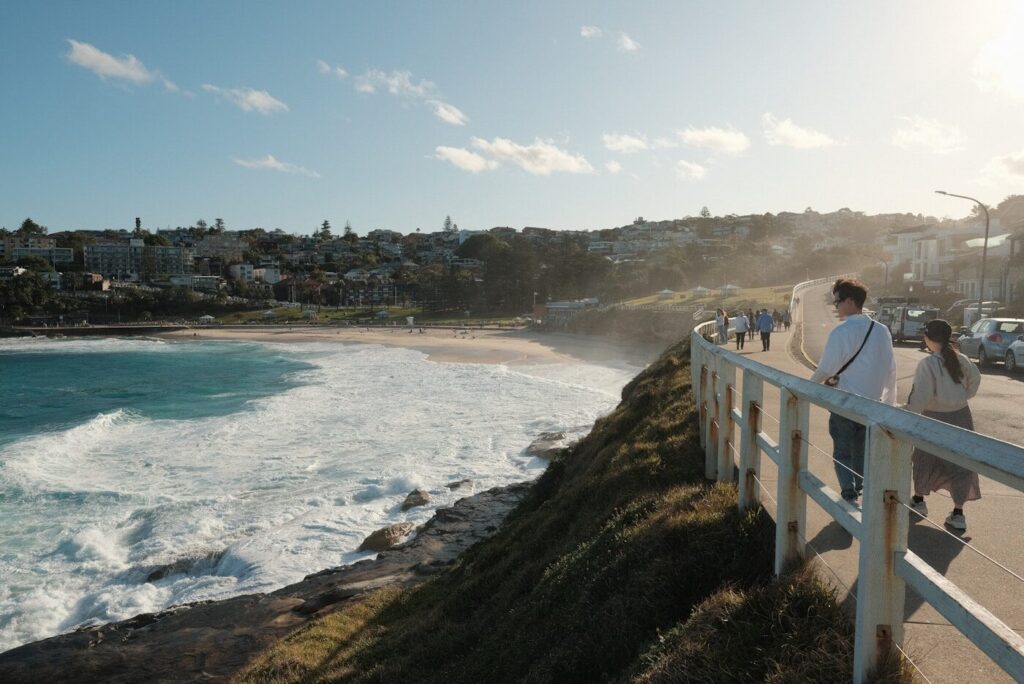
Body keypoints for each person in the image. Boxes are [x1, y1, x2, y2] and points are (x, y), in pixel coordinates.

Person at [810, 278, 897, 505]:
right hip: (871, 405)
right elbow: (890, 370)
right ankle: (861, 488)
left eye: (837, 301)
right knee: (862, 451)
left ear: (850, 301)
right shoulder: (881, 331)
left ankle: (848, 492)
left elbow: (826, 369)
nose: (835, 306)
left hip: (844, 403)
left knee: (843, 451)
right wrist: (888, 403)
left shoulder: (841, 332)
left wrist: (809, 388)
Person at [903, 319, 981, 531]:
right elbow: (975, 381)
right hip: (961, 415)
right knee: (960, 463)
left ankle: (918, 501)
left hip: (932, 417)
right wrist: (962, 396)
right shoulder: (961, 358)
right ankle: (958, 513)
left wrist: (907, 412)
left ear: (928, 338)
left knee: (923, 458)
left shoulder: (927, 364)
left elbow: (920, 396)